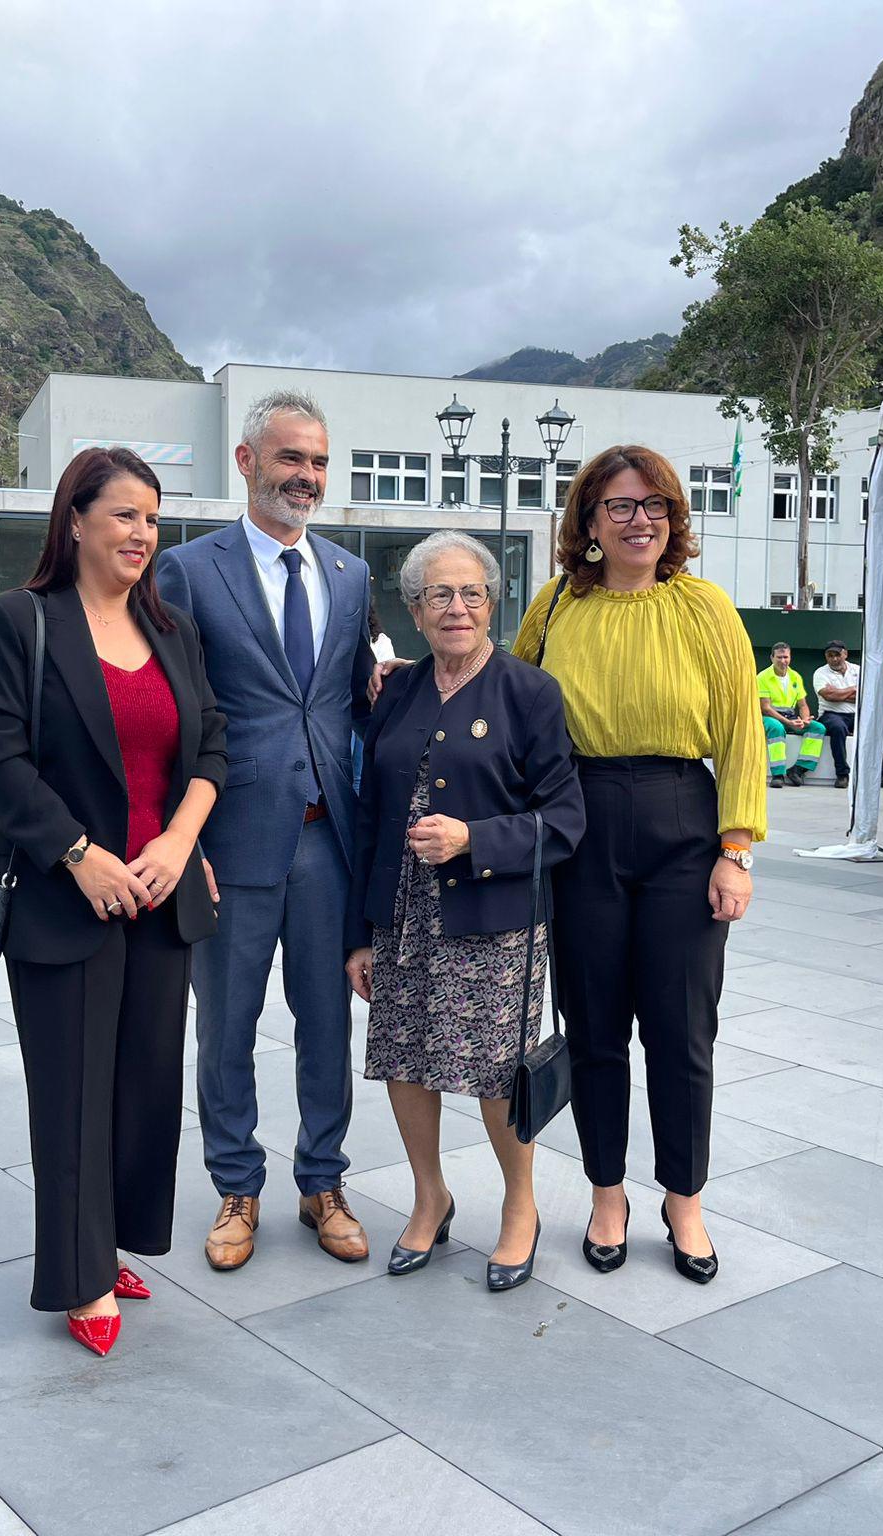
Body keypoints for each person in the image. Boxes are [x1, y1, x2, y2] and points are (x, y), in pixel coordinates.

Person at [0, 447, 225, 1357]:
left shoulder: (175, 630)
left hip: (161, 896)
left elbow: (212, 751)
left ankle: (108, 1245)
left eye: (152, 518)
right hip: (65, 901)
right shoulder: (18, 621)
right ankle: (76, 1277)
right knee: (72, 1092)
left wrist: (179, 841)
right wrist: (79, 855)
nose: (143, 534)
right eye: (124, 515)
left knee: (144, 1089)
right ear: (74, 520)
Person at [513, 443, 763, 1286]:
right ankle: (607, 1190)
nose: (639, 520)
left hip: (684, 827)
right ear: (587, 522)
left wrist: (737, 850)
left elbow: (739, 733)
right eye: (619, 506)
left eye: (654, 505)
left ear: (673, 520)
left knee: (683, 1029)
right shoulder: (552, 609)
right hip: (579, 827)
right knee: (593, 1028)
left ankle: (684, 1198)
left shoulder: (706, 610)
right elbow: (507, 707)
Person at [154, 391, 379, 1270]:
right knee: (227, 1027)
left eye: (319, 462)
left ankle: (323, 1181)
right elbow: (175, 715)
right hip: (230, 840)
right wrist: (186, 840)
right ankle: (235, 1187)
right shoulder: (188, 570)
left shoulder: (350, 574)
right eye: (291, 459)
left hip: (329, 840)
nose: (308, 478)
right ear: (247, 463)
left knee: (327, 1024)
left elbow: (355, 699)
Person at [345, 533, 584, 1293]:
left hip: (495, 916)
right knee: (406, 1061)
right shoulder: (401, 689)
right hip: (402, 913)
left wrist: (473, 838)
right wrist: (360, 935)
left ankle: (520, 1208)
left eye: (471, 593)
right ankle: (430, 1197)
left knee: (492, 1072)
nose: (457, 608)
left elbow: (566, 819)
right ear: (415, 610)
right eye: (439, 595)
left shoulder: (529, 693)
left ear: (492, 602)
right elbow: (368, 810)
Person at [757, 642, 825, 787]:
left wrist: (805, 719)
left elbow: (803, 705)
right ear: (772, 658)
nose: (783, 661)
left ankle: (798, 770)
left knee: (817, 728)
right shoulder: (762, 677)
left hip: (791, 717)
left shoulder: (795, 677)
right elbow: (766, 708)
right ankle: (778, 774)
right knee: (776, 728)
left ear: (790, 657)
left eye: (786, 657)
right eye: (779, 657)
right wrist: (787, 722)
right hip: (769, 717)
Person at [810, 640, 859, 788]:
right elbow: (829, 696)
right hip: (830, 714)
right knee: (838, 728)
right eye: (830, 655)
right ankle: (842, 774)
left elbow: (867, 695)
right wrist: (853, 689)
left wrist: (839, 693)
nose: (834, 659)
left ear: (845, 654)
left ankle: (881, 773)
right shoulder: (820, 673)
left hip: (856, 714)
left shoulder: (858, 669)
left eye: (837, 654)